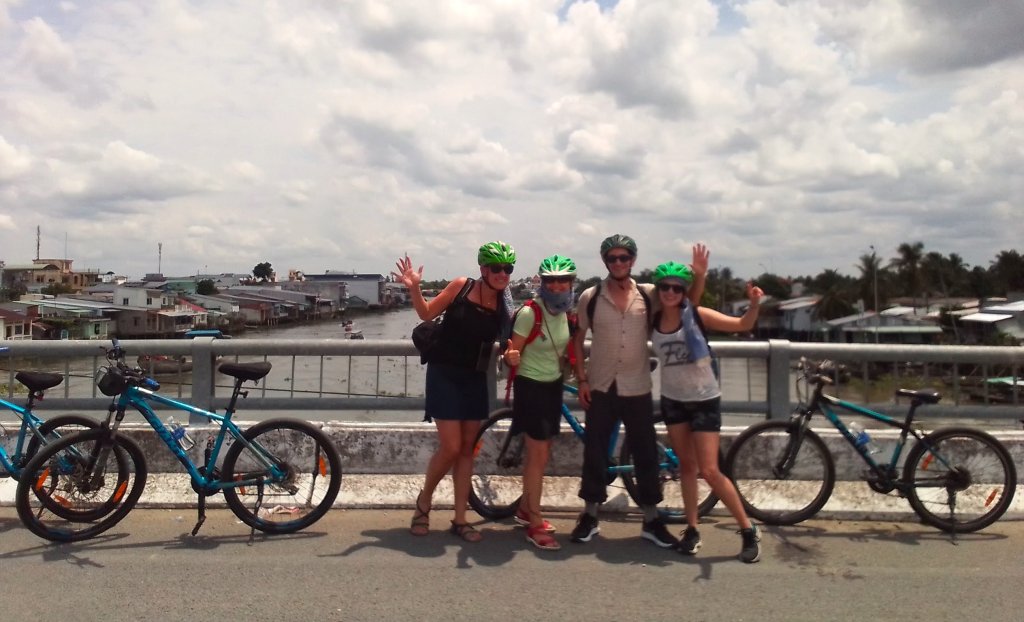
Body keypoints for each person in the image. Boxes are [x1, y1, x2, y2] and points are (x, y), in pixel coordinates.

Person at [570, 235, 707, 548]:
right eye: (612, 258)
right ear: (605, 261)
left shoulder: (649, 294)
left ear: (632, 260)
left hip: (637, 385)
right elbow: (577, 339)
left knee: (645, 452)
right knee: (594, 452)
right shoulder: (590, 296)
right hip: (601, 384)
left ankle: (650, 518)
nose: (618, 263)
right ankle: (590, 515)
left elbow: (689, 306)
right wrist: (581, 379)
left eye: (624, 257)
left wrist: (699, 275)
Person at [393, 241, 517, 543]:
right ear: (483, 269)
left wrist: (511, 354)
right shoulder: (462, 287)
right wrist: (414, 287)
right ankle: (424, 504)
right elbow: (425, 313)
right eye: (496, 268)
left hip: (474, 379)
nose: (502, 274)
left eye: (508, 269)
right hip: (444, 374)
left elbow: (508, 341)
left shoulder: (505, 304)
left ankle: (460, 519)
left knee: (466, 451)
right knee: (449, 447)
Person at [649, 260, 764, 563]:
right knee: (686, 467)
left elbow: (743, 326)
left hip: (704, 399)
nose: (670, 292)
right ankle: (691, 528)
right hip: (672, 400)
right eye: (665, 287)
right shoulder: (654, 319)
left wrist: (753, 305)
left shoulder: (696, 315)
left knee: (710, 471)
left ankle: (748, 530)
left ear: (684, 291)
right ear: (658, 290)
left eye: (677, 287)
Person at [501, 254, 578, 551]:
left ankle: (523, 510)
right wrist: (511, 357)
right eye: (550, 280)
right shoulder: (529, 313)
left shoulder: (565, 314)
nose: (556, 286)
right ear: (542, 283)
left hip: (553, 385)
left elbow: (564, 350)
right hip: (531, 387)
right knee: (536, 455)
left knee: (543, 454)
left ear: (571, 283)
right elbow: (512, 353)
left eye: (563, 280)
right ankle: (534, 521)